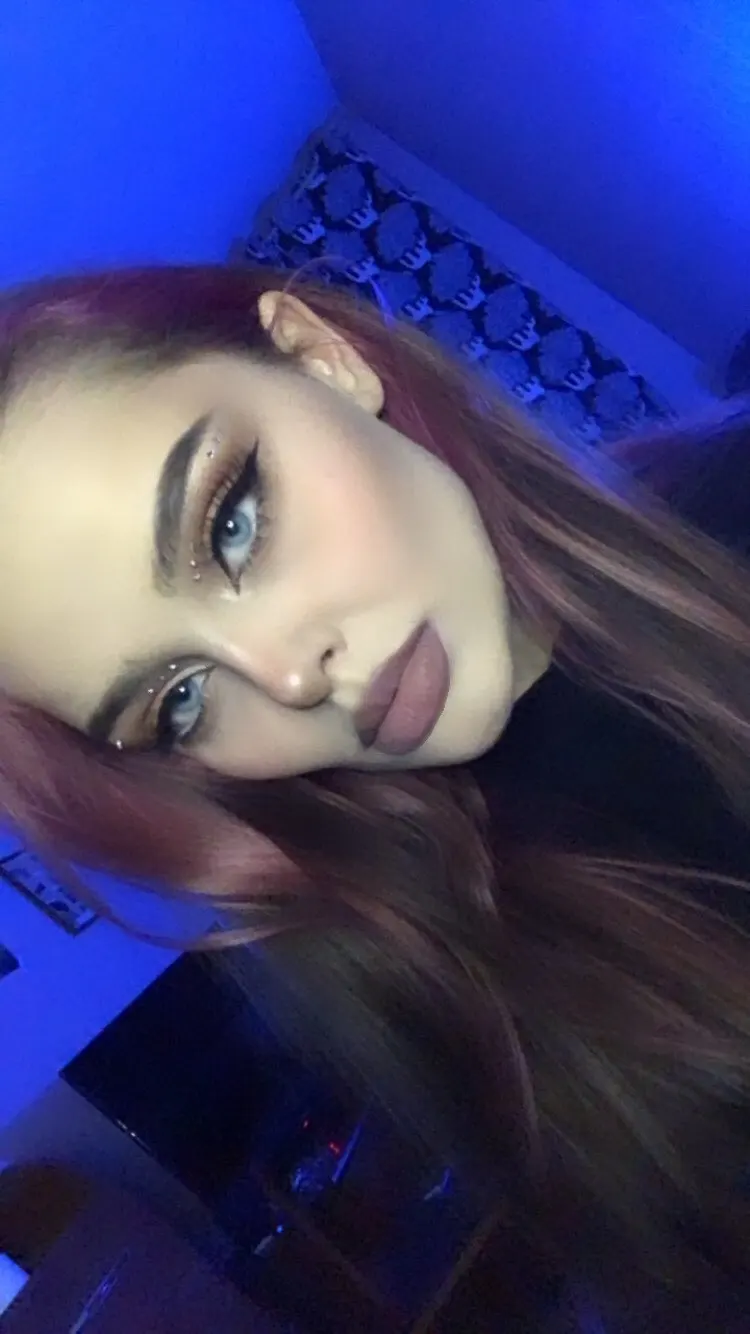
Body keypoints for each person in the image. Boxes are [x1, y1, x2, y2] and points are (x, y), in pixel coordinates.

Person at [0, 264, 749, 1316]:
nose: (287, 676)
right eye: (179, 700)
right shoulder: (433, 987)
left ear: (324, 357)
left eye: (231, 522)